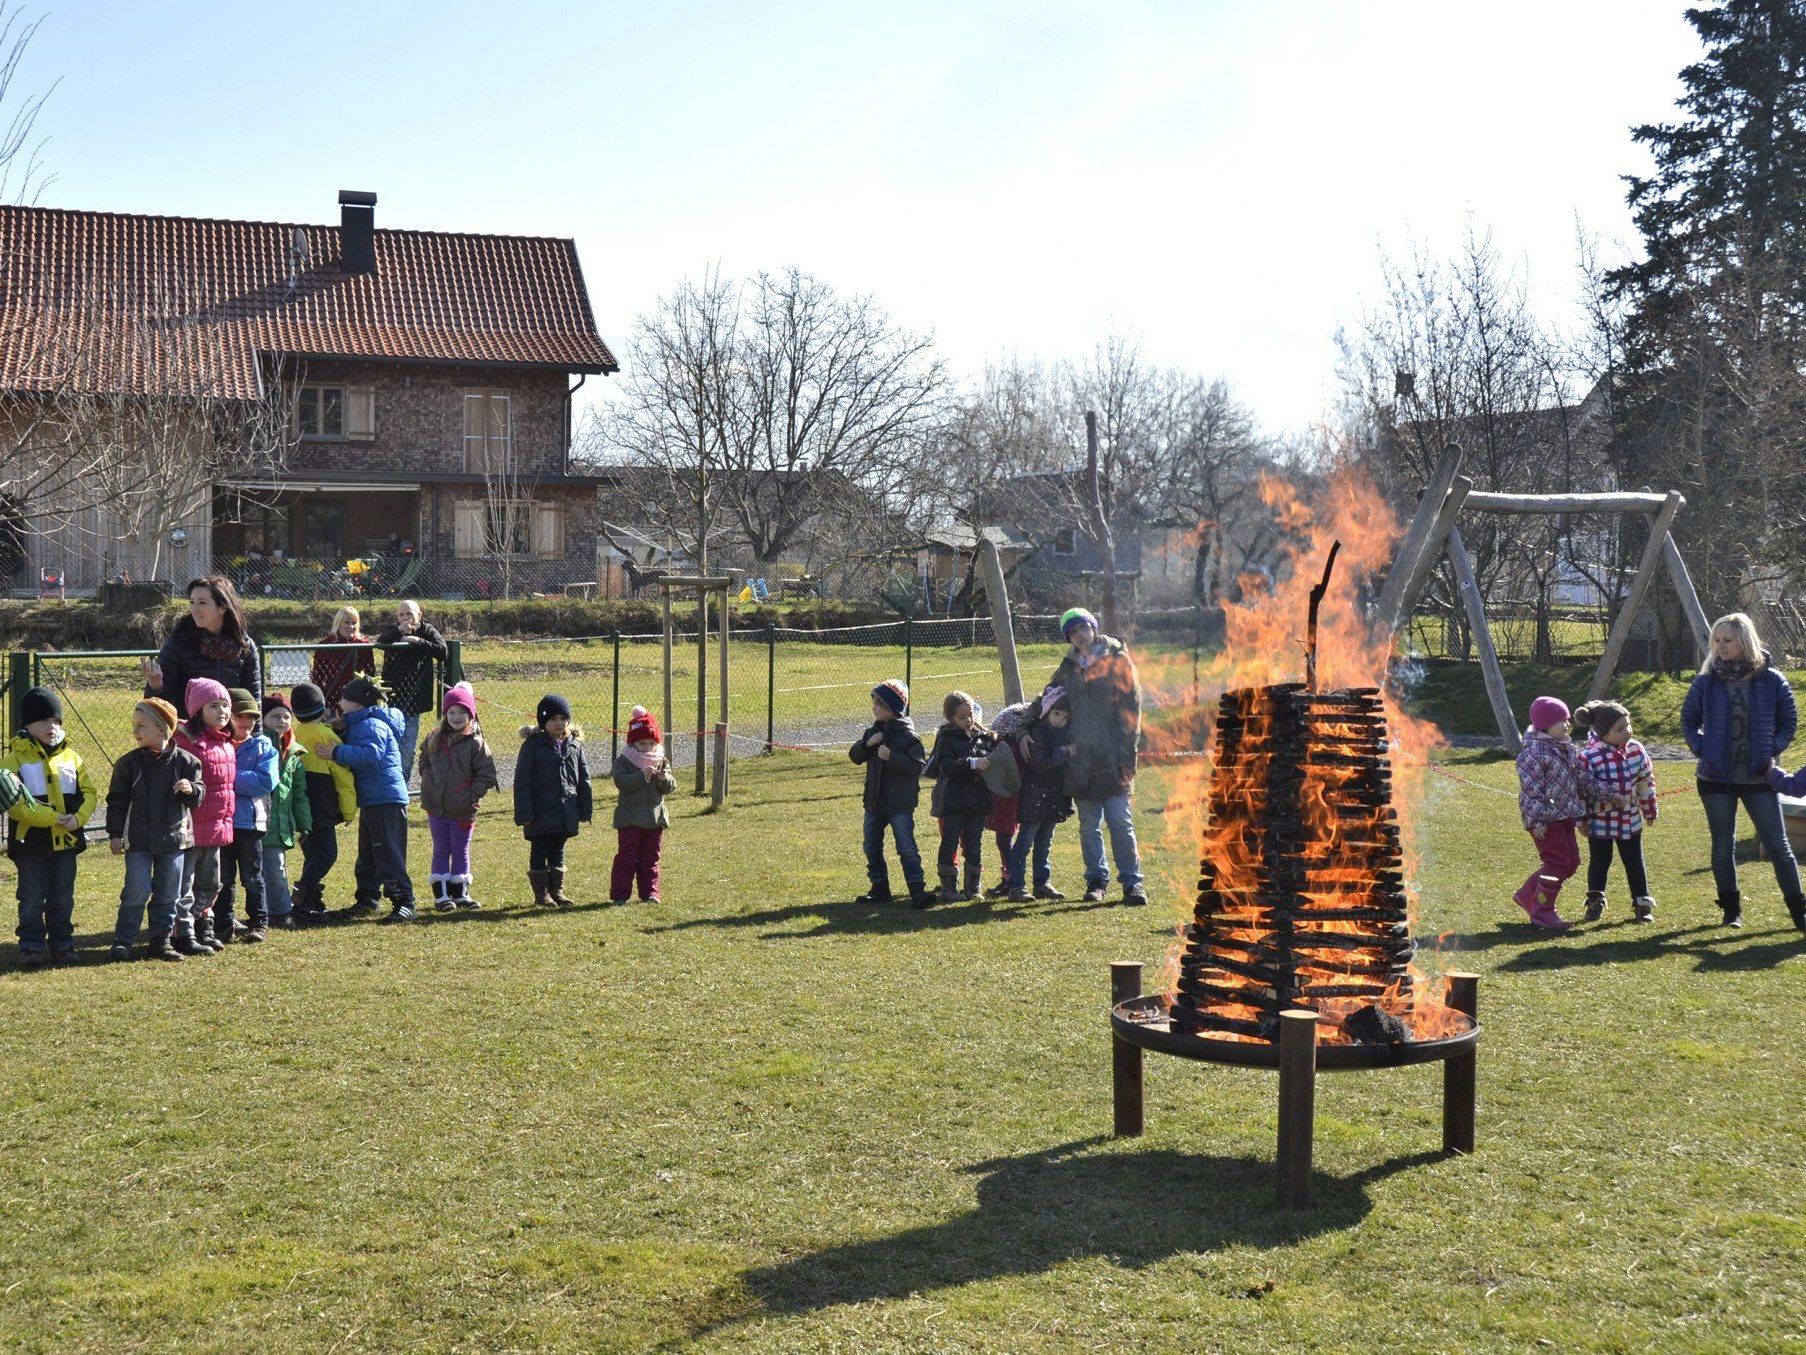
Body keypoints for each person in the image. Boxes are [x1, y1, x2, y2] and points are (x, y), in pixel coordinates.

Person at [1682, 612, 1803, 930]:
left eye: (1726, 640)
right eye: (1716, 641)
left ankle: (1798, 910)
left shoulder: (1772, 679)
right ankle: (1731, 911)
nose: (1719, 647)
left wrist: (1770, 749)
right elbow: (1688, 719)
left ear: (1744, 640)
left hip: (1760, 777)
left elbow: (1789, 721)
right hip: (1715, 778)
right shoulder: (1706, 681)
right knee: (1723, 844)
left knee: (1778, 844)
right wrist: (1701, 748)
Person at [1051, 607, 1147, 906]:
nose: (1079, 634)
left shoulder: (1117, 658)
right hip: (1082, 760)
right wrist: (1024, 726)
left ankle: (1132, 883)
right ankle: (1096, 881)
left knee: (1120, 822)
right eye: (1072, 632)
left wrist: (1128, 757)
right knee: (1089, 825)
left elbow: (1132, 709)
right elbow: (1048, 698)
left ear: (1093, 627)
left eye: (1082, 627)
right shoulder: (1068, 667)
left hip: (1114, 755)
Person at [3, 687, 97, 966]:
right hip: (31, 844)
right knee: (31, 897)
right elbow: (17, 803)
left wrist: (78, 819)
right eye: (44, 720)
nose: (52, 727)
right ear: (27, 725)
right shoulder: (14, 761)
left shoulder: (73, 758)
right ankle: (31, 945)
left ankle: (63, 944)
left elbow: (89, 793)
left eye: (56, 721)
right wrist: (54, 818)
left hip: (65, 844)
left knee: (62, 898)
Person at [105, 698, 203, 962]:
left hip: (174, 841)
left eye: (141, 726)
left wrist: (190, 789)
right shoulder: (128, 764)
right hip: (138, 841)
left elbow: (198, 796)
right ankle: (123, 940)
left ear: (162, 729)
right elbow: (116, 801)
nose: (135, 731)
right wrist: (115, 834)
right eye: (134, 725)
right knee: (135, 891)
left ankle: (161, 941)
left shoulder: (187, 762)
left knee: (168, 894)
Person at [330, 676, 416, 923]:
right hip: (372, 799)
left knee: (388, 852)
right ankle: (367, 898)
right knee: (368, 853)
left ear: (357, 703)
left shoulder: (372, 725)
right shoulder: (360, 723)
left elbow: (370, 754)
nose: (340, 702)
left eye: (344, 698)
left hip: (385, 799)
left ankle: (404, 901)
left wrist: (337, 752)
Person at [1573, 700, 1659, 924]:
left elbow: (1645, 781)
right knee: (1600, 861)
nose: (1627, 732)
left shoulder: (1636, 750)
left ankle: (1642, 903)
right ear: (1603, 733)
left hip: (1630, 820)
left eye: (1628, 725)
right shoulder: (1588, 757)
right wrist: (1581, 820)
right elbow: (1581, 790)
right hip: (1600, 822)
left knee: (1635, 862)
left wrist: (1649, 809)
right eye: (1619, 729)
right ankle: (1594, 902)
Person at [850, 679, 934, 907]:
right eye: (874, 704)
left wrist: (893, 758)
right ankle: (879, 888)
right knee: (871, 845)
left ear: (893, 709)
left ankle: (917, 890)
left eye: (879, 704)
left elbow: (918, 766)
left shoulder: (909, 737)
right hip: (875, 801)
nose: (874, 708)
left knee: (906, 846)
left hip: (900, 804)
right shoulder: (873, 732)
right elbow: (855, 756)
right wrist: (867, 744)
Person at [417, 681, 498, 911]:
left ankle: (461, 894)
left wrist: (471, 794)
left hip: (463, 808)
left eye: (462, 712)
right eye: (452, 712)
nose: (456, 717)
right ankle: (442, 896)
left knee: (461, 850)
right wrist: (427, 777)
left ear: (470, 714)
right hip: (436, 806)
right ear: (445, 714)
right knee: (441, 848)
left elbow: (487, 774)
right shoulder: (434, 738)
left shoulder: (476, 743)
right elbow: (423, 757)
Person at [174, 678, 238, 955]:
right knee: (186, 883)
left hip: (216, 827)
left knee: (211, 882)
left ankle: (204, 925)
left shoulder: (225, 744)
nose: (222, 711)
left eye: (226, 705)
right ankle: (182, 931)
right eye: (214, 705)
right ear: (198, 709)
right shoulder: (186, 742)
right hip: (192, 827)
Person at [1513, 695, 1586, 932]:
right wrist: (1537, 820)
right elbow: (1531, 790)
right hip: (1545, 818)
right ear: (1544, 725)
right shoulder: (1534, 753)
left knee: (1571, 862)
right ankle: (1543, 911)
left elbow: (1580, 780)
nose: (1566, 725)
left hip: (1564, 815)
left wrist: (1607, 792)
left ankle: (1527, 895)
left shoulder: (1565, 748)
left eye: (1567, 720)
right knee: (1557, 863)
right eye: (1559, 721)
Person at [514, 693, 593, 908]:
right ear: (543, 721)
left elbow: (583, 779)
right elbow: (522, 782)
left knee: (558, 849)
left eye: (563, 719)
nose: (559, 724)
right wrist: (525, 813)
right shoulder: (532, 746)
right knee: (539, 849)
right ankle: (542, 894)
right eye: (553, 719)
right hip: (539, 812)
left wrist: (584, 809)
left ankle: (557, 891)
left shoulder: (575, 746)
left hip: (564, 810)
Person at [288, 682, 357, 924]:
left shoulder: (293, 733)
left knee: (312, 854)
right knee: (326, 854)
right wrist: (349, 811)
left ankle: (311, 901)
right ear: (322, 708)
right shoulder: (327, 737)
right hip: (322, 804)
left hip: (299, 802)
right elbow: (343, 777)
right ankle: (301, 894)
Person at [214, 688, 278, 944]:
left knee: (252, 876)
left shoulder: (264, 748)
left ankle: (259, 923)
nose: (246, 722)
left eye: (252, 717)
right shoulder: (218, 745)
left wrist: (226, 777)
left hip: (250, 822)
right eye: (240, 715)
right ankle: (223, 924)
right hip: (222, 821)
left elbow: (264, 781)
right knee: (223, 877)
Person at [141, 576, 261, 707]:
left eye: (202, 602)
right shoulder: (179, 643)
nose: (194, 609)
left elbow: (254, 703)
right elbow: (157, 706)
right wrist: (155, 684)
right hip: (189, 726)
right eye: (192, 602)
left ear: (222, 607)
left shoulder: (245, 646)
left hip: (230, 726)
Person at [924, 691, 995, 904]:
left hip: (976, 801)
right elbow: (946, 767)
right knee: (950, 842)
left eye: (970, 715)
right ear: (951, 718)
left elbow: (991, 760)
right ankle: (948, 887)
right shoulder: (946, 738)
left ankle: (973, 887)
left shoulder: (981, 737)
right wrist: (972, 763)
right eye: (962, 717)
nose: (968, 721)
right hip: (953, 801)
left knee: (974, 843)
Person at [1009, 684, 1074, 903]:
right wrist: (1064, 753)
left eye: (1064, 717)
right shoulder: (1037, 734)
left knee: (1045, 843)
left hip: (1054, 797)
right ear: (1047, 711)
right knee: (1025, 841)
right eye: (1056, 714)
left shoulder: (1064, 735)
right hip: (1034, 796)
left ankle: (1041, 882)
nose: (1059, 720)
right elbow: (1040, 764)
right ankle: (1016, 885)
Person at [376, 600, 449, 785]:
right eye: (401, 615)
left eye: (409, 614)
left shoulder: (427, 630)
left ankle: (402, 787)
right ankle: (387, 784)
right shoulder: (393, 630)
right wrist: (400, 631)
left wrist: (417, 641)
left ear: (419, 615)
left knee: (407, 749)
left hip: (413, 701)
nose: (405, 618)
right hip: (390, 699)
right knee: (387, 745)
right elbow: (380, 643)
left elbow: (442, 651)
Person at [610, 705, 676, 905]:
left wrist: (664, 779)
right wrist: (641, 776)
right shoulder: (623, 761)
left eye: (650, 743)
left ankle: (650, 893)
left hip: (654, 819)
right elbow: (622, 783)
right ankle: (620, 895)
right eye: (641, 743)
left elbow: (670, 787)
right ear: (632, 743)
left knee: (651, 858)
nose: (647, 748)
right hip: (629, 819)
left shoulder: (661, 761)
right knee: (627, 858)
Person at [260, 693, 312, 930]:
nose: (281, 721)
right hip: (257, 821)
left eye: (286, 717)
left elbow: (299, 794)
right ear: (262, 719)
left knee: (275, 868)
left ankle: (277, 912)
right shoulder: (257, 745)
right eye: (275, 716)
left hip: (280, 824)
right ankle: (275, 912)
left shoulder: (295, 753)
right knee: (266, 871)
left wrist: (304, 824)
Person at [982, 700, 1033, 898]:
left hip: (1007, 801)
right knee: (1004, 839)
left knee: (1005, 839)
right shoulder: (1012, 746)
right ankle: (1009, 876)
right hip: (1007, 800)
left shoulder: (1009, 749)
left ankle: (1011, 878)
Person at [309, 606, 376, 714]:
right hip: (332, 695)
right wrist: (321, 701)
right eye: (347, 622)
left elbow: (370, 672)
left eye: (354, 622)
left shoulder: (363, 644)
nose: (351, 626)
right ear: (339, 623)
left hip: (357, 697)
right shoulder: (326, 644)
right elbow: (318, 676)